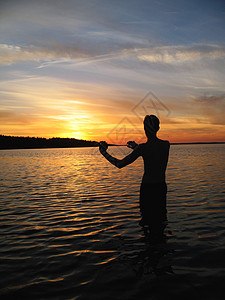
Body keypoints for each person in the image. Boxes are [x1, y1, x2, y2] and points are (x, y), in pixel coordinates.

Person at [99, 115, 170, 239]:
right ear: (158, 128)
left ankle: (149, 246)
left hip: (147, 189)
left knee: (146, 219)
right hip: (161, 187)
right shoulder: (166, 145)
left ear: (146, 129)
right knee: (161, 218)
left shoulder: (143, 148)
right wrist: (137, 148)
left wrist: (104, 153)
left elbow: (120, 164)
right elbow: (152, 152)